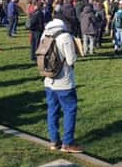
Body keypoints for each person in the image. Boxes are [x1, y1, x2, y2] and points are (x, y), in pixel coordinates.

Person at [41, 18, 83, 153]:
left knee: (52, 110)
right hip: (64, 80)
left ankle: (54, 140)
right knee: (69, 110)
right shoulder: (65, 36)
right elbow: (71, 60)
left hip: (48, 79)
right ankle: (67, 143)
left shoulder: (45, 34)